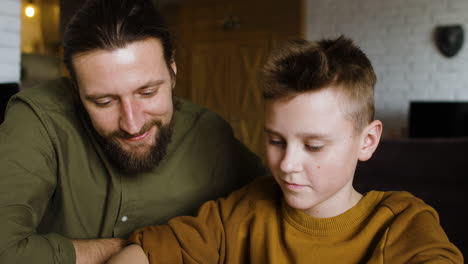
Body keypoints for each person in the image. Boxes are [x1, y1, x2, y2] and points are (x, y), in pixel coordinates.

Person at [108, 36, 464, 264]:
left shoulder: (403, 223)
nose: (287, 164)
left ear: (367, 141)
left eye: (313, 145)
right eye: (276, 140)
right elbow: (143, 254)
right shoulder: (244, 211)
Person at [0, 0, 266, 263]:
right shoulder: (38, 118)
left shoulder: (210, 135)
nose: (132, 124)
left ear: (172, 71)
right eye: (104, 102)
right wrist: (138, 250)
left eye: (147, 92)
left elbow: (277, 209)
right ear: (76, 90)